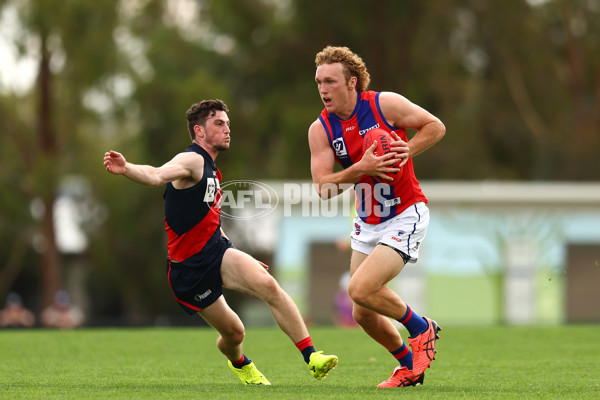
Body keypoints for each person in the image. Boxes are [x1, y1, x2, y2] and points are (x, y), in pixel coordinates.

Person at [103, 99, 337, 385]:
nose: (227, 129)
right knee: (234, 333)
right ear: (199, 131)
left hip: (217, 251)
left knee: (268, 284)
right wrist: (126, 168)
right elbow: (155, 175)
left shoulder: (213, 170)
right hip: (188, 271)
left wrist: (237, 255)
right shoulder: (192, 159)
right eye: (219, 124)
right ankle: (240, 364)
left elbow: (211, 221)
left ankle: (312, 357)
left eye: (228, 124)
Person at [308, 46, 446, 388]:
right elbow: (323, 188)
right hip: (367, 222)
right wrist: (359, 169)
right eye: (319, 82)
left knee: (361, 288)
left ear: (351, 82)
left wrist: (407, 149)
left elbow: (435, 126)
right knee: (362, 311)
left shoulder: (384, 105)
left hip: (405, 213)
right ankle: (409, 367)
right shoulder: (321, 129)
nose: (323, 89)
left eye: (331, 81)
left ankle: (421, 328)